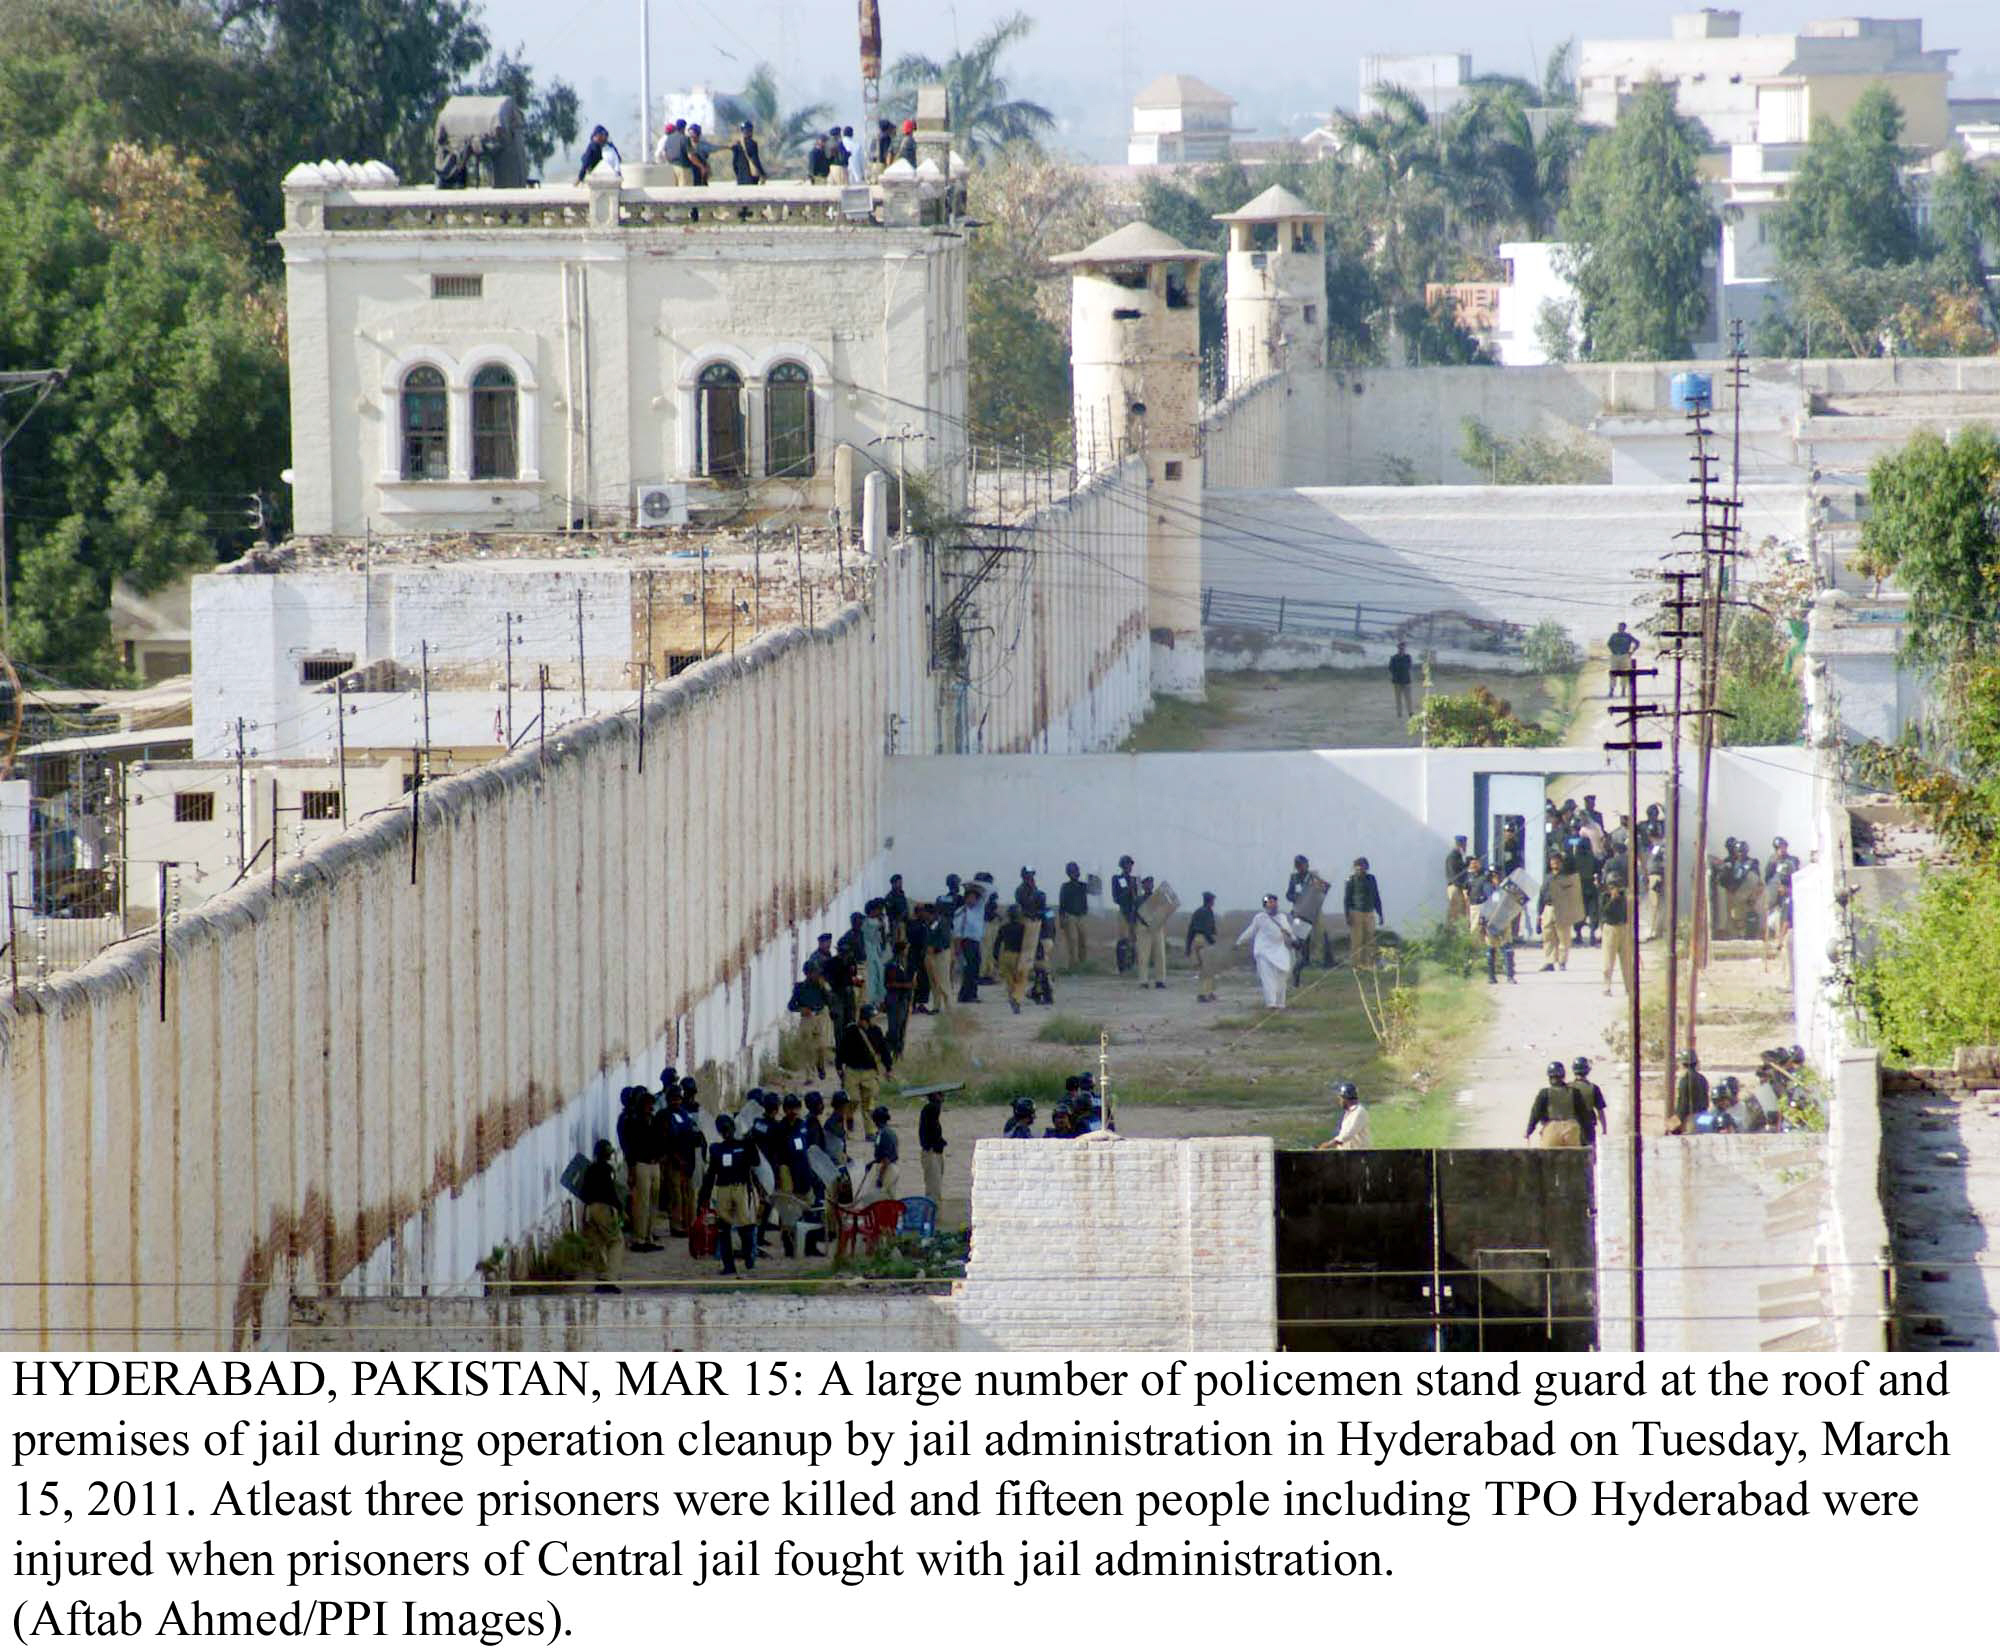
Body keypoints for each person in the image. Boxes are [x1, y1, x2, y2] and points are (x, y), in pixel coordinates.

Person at [699, 1116, 762, 1275]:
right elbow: (711, 1173)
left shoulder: (743, 1145)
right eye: (723, 1129)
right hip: (723, 1188)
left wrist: (751, 1142)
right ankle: (729, 1265)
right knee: (723, 1227)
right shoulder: (717, 1149)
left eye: (728, 1128)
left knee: (745, 1225)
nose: (726, 1132)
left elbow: (756, 1162)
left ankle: (749, 1257)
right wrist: (704, 1195)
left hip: (741, 1187)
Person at [1237, 893, 1304, 1010]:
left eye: (1274, 902)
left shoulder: (1282, 917)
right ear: (1265, 905)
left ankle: (1280, 1004)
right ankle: (1271, 1004)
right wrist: (1239, 942)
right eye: (1270, 902)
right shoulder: (1260, 918)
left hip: (1279, 951)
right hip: (1263, 952)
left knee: (1281, 978)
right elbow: (1250, 931)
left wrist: (1295, 940)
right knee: (1268, 979)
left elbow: (1289, 931)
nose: (1273, 904)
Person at [616, 1086, 662, 1251]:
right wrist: (631, 1168)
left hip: (654, 1164)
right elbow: (630, 1147)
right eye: (648, 1104)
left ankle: (649, 1235)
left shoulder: (654, 1121)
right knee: (641, 1202)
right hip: (641, 1164)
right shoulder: (633, 1122)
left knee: (653, 1202)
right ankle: (639, 1238)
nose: (651, 1107)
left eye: (652, 1104)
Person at [579, 1138, 624, 1290]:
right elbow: (610, 1192)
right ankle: (610, 1278)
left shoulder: (589, 1169)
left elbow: (583, 1192)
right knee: (616, 1241)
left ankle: (600, 1278)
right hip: (604, 1208)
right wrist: (620, 1208)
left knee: (597, 1244)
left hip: (589, 1209)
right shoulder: (608, 1170)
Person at [836, 1002, 894, 1108]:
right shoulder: (851, 1031)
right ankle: (849, 1122)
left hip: (869, 1072)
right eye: (873, 1017)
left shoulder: (876, 1031)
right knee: (852, 1100)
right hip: (852, 1071)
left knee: (869, 1105)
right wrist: (839, 1067)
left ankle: (870, 1124)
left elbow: (884, 1050)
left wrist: (888, 1068)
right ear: (866, 1018)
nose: (875, 1019)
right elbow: (841, 1050)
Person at [1524, 1061, 1589, 1148]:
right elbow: (1584, 1115)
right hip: (1571, 1129)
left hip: (1551, 1129)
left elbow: (1536, 1114)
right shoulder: (1574, 1092)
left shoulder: (1544, 1093)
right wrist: (1588, 1136)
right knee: (1574, 1158)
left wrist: (1529, 1131)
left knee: (1548, 1159)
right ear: (1563, 1076)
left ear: (1550, 1077)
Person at [789, 961, 834, 1080]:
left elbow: (830, 1001)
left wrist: (825, 988)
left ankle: (820, 1064)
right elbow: (791, 1006)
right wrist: (801, 1009)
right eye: (814, 973)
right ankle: (810, 1075)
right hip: (807, 1018)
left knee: (821, 1046)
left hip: (820, 1016)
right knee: (807, 1048)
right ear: (808, 974)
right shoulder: (800, 988)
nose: (816, 975)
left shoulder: (821, 986)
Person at [1286, 854, 1330, 973]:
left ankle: (1317, 960)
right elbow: (1288, 894)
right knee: (1300, 937)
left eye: (1302, 864)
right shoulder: (1294, 878)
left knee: (1318, 934)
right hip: (1300, 910)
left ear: (1307, 865)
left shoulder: (1313, 877)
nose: (1300, 867)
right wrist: (1295, 897)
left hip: (1315, 910)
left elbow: (1325, 888)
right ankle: (1300, 961)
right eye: (1298, 865)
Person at [1538, 851, 1581, 971]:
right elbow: (1542, 895)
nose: (1554, 863)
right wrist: (1539, 913)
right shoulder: (1547, 877)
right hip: (1548, 908)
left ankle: (1562, 961)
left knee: (1563, 937)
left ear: (1561, 863)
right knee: (1548, 936)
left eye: (1557, 860)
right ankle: (1549, 961)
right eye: (1552, 861)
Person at [1343, 856, 1383, 969]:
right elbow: (1347, 899)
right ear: (1354, 868)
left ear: (1367, 867)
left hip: (1369, 912)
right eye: (1358, 867)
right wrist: (1347, 916)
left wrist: (1380, 913)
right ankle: (1356, 965)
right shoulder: (1350, 880)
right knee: (1357, 940)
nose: (1360, 869)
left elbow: (1376, 896)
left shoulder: (1371, 879)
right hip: (1356, 913)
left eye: (1363, 866)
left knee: (1370, 939)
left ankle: (1369, 964)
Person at [854, 1106, 899, 1204]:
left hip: (887, 1169)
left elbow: (886, 1159)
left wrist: (880, 1178)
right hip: (889, 1167)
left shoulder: (884, 1134)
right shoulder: (887, 1132)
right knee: (888, 1197)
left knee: (879, 1199)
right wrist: (873, 1162)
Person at [1135, 875, 1171, 989]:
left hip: (1157, 928)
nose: (1149, 886)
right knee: (1143, 956)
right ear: (1143, 886)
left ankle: (1160, 980)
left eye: (1150, 884)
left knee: (1160, 955)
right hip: (1144, 928)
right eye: (1147, 884)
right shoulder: (1139, 899)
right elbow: (1135, 914)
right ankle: (1143, 980)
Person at [995, 904, 1031, 1013]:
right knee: (1021, 980)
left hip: (1006, 956)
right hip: (1018, 956)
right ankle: (1016, 998)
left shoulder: (1003, 927)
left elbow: (997, 944)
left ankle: (1013, 1000)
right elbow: (1029, 943)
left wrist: (996, 958)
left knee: (1009, 981)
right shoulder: (1023, 927)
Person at [1600, 876, 1632, 998]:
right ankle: (1607, 987)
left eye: (1616, 887)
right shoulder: (1605, 897)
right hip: (1610, 928)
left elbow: (1628, 912)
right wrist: (1612, 900)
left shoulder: (1624, 898)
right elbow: (1604, 912)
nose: (1615, 889)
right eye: (1612, 887)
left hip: (1623, 928)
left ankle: (1629, 988)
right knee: (1608, 961)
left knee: (1627, 962)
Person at [883, 940, 916, 1057]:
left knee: (902, 1027)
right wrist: (905, 986)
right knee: (894, 1028)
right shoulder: (891, 965)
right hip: (894, 999)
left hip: (904, 999)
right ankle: (888, 1049)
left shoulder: (906, 964)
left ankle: (898, 1051)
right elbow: (889, 984)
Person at [953, 886, 985, 1002]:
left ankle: (973, 993)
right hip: (966, 943)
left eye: (974, 898)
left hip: (976, 942)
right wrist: (957, 947)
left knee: (975, 968)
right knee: (968, 969)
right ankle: (965, 995)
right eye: (970, 897)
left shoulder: (977, 910)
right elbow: (957, 931)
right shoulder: (961, 911)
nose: (972, 900)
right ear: (965, 898)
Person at [1187, 890, 1219, 1001]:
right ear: (1210, 901)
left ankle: (1208, 992)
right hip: (1204, 940)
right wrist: (1212, 940)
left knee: (1205, 968)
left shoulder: (1197, 912)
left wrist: (1188, 947)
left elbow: (1190, 930)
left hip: (1196, 939)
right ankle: (1203, 994)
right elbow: (1207, 929)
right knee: (1207, 969)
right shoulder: (1207, 912)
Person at [1319, 1081, 1371, 1150]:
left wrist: (1328, 1144)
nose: (1339, 1101)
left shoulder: (1359, 1112)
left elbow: (1347, 1134)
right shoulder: (1349, 1113)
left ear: (1345, 1098)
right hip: (1348, 1155)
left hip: (1359, 1156)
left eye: (1340, 1098)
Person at [1058, 861, 1090, 969]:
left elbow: (1096, 890)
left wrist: (1094, 877)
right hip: (1070, 916)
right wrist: (1061, 918)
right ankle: (1073, 965)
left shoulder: (1083, 886)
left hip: (1081, 916)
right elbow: (1062, 904)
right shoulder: (1065, 887)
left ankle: (1083, 964)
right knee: (1073, 940)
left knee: (1083, 940)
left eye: (1075, 871)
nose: (1074, 873)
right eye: (1072, 871)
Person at [918, 1089, 948, 1205]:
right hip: (930, 1152)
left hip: (935, 1152)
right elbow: (935, 1107)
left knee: (936, 1184)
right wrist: (936, 1099)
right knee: (933, 1187)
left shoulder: (931, 1112)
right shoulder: (929, 1109)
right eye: (940, 1095)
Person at [1572, 1055, 1609, 1145]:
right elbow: (1600, 1111)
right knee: (1590, 1155)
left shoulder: (1567, 1088)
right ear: (1587, 1070)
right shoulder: (1594, 1088)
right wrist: (1604, 1129)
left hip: (1571, 1128)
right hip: (1588, 1127)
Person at [1111, 855, 1141, 968]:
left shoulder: (1134, 879)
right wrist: (1129, 889)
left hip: (1134, 913)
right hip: (1123, 911)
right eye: (1127, 864)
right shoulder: (1117, 879)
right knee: (1123, 940)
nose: (1129, 867)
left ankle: (1131, 963)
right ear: (1122, 865)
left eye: (1130, 864)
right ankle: (1122, 965)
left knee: (1133, 940)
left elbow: (1138, 897)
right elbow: (1116, 898)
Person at [1671, 1049, 1709, 1135]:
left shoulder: (1685, 1080)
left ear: (1682, 1064)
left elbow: (1683, 1107)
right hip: (1706, 1117)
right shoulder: (1702, 1078)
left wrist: (1672, 1125)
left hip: (1693, 1119)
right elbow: (1706, 1103)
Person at [1444, 836, 1472, 928]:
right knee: (1456, 912)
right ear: (1461, 845)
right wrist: (1463, 886)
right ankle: (1450, 932)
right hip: (1455, 887)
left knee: (1460, 911)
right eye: (1464, 845)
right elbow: (1455, 875)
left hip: (1457, 887)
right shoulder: (1453, 856)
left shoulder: (1457, 856)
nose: (1465, 848)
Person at [657, 118, 693, 184]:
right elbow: (690, 156)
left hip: (671, 168)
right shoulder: (685, 138)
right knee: (685, 191)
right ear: (684, 127)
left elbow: (665, 153)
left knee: (674, 191)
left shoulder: (669, 138)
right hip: (683, 167)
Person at [729, 120, 766, 184]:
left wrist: (738, 175)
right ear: (751, 131)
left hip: (740, 178)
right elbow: (756, 160)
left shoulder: (736, 144)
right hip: (752, 177)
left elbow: (734, 164)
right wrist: (762, 173)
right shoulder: (753, 144)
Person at [1388, 644, 1416, 722]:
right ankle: (1399, 713)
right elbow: (1390, 668)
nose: (1401, 650)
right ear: (1398, 649)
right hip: (1397, 681)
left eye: (1403, 648)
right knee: (1398, 698)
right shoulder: (1394, 658)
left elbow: (1409, 667)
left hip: (1406, 681)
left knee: (1408, 698)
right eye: (1400, 648)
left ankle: (1410, 712)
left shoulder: (1407, 657)